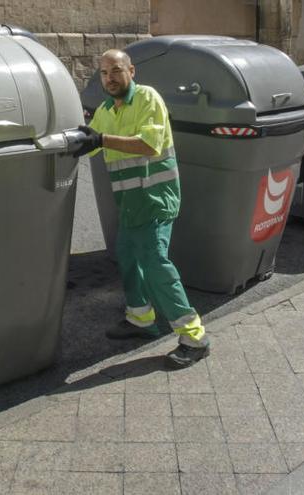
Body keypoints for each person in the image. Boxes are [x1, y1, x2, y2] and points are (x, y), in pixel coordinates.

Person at [75, 49, 210, 369]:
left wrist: (102, 139)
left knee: (154, 264)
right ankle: (141, 319)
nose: (110, 78)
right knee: (128, 257)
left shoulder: (148, 99)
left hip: (156, 198)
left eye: (116, 71)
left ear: (131, 71)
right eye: (104, 73)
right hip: (131, 204)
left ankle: (195, 337)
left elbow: (149, 145)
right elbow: (91, 140)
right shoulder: (107, 109)